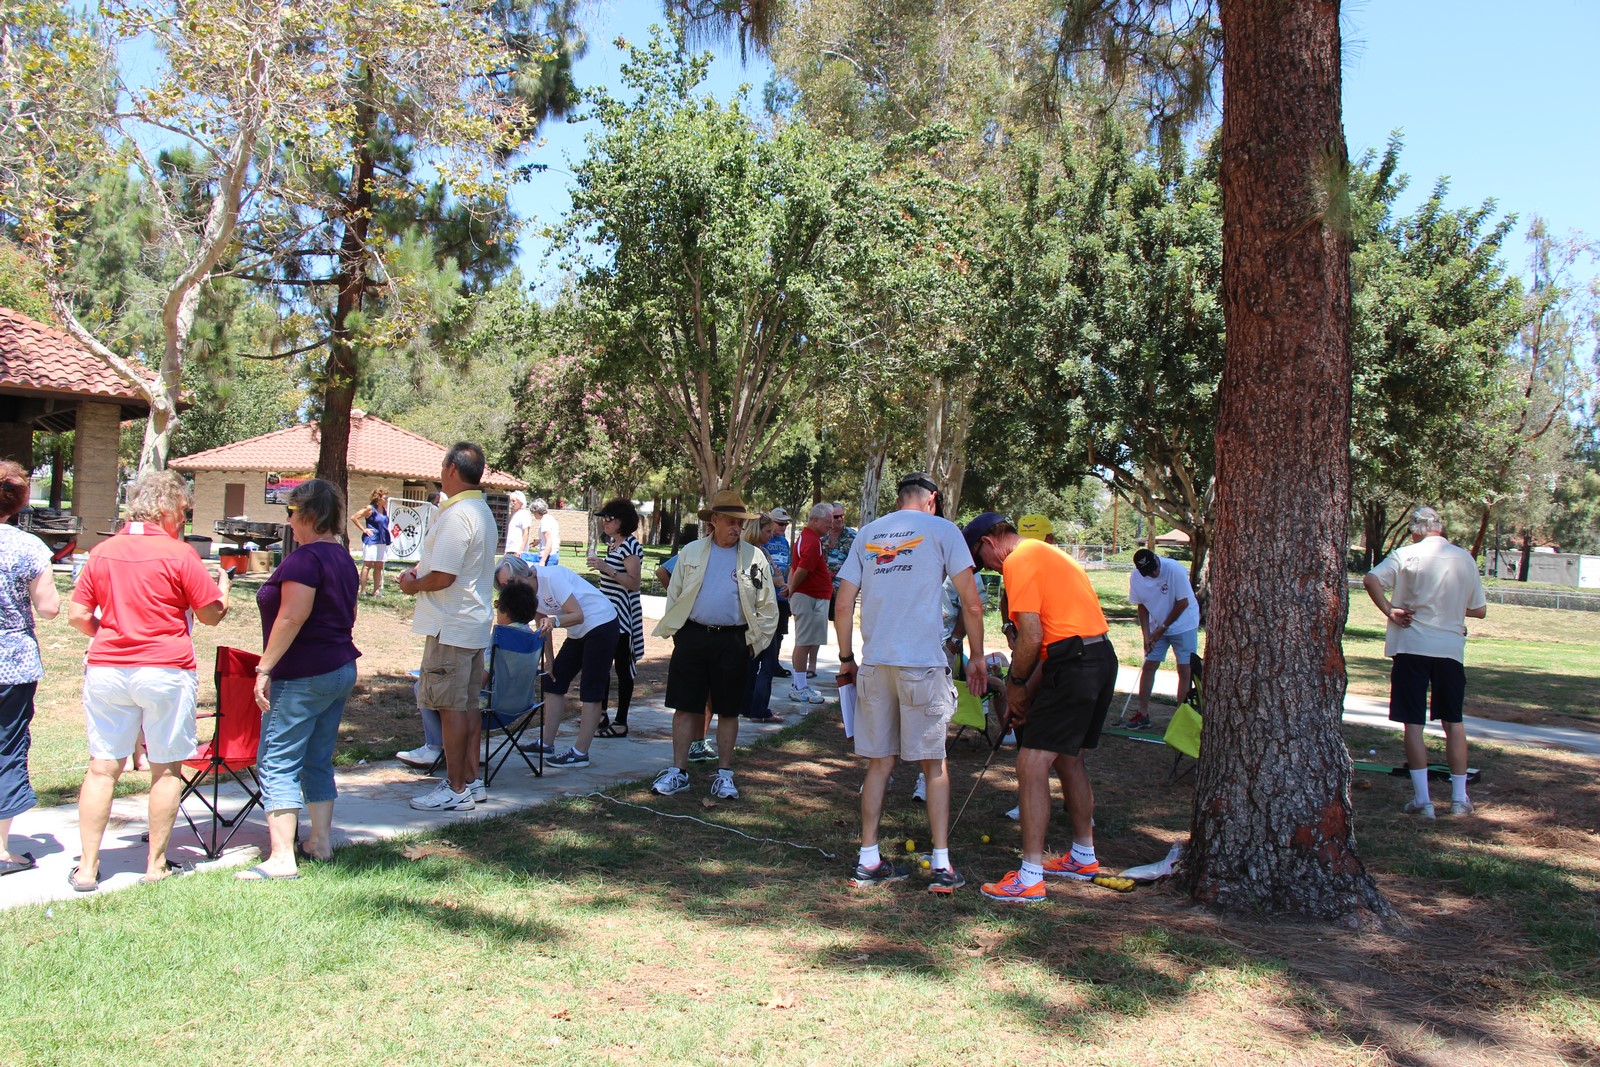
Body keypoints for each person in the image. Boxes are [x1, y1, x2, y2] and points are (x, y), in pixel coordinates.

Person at [67, 471, 233, 890]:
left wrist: (112, 637)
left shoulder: (102, 552)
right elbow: (211, 615)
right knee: (165, 769)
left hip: (107, 668)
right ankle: (155, 864)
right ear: (164, 509)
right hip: (165, 669)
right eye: (181, 511)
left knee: (103, 768)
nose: (183, 520)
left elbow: (78, 615)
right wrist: (224, 590)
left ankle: (87, 867)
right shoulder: (179, 555)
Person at [834, 472, 986, 893]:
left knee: (879, 763)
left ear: (900, 499)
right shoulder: (943, 530)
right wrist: (975, 658)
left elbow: (843, 602)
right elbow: (971, 603)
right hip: (922, 663)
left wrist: (847, 658)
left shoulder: (868, 532)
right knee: (933, 764)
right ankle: (941, 864)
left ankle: (868, 858)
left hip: (875, 663)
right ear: (933, 500)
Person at [963, 512, 1117, 904]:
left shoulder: (1019, 560)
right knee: (1069, 759)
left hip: (1074, 664)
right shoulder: (1049, 554)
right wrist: (1026, 693)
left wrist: (1015, 686)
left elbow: (1031, 636)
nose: (989, 567)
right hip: (1097, 658)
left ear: (990, 541)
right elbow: (1053, 639)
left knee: (1031, 764)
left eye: (982, 558)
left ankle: (1029, 877)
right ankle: (1083, 856)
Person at [237, 479, 361, 881]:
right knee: (316, 758)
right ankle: (319, 842)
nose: (288, 521)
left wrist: (264, 668)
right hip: (339, 667)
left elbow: (292, 616)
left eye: (291, 512)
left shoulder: (304, 560)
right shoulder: (342, 557)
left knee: (276, 760)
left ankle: (281, 859)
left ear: (308, 515)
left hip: (303, 673)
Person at [650, 490, 778, 800]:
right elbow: (675, 593)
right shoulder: (692, 552)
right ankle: (678, 771)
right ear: (715, 521)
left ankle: (724, 775)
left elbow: (767, 605)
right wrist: (680, 634)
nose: (737, 528)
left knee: (729, 711)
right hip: (693, 637)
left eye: (740, 523)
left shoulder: (754, 558)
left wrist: (752, 644)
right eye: (731, 522)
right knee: (684, 707)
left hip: (734, 641)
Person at [1363, 505, 1487, 818]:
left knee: (1413, 724)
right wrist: (1451, 611)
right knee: (1453, 722)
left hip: (1411, 646)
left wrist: (1390, 609)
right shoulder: (1463, 558)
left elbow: (1370, 579)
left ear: (1416, 529)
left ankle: (1424, 800)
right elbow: (1479, 609)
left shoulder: (1406, 554)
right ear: (1440, 527)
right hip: (1449, 649)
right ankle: (1459, 799)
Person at [399, 443, 498, 812]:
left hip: (452, 625)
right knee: (467, 705)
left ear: (452, 470)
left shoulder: (459, 514)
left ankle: (456, 788)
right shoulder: (481, 509)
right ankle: (471, 781)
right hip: (471, 623)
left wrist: (412, 584)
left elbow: (443, 576)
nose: (439, 472)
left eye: (442, 466)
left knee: (450, 708)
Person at [0, 462, 61, 876]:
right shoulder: (27, 547)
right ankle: (2, 848)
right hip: (12, 664)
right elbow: (50, 606)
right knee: (5, 748)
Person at [522, 560, 620, 767]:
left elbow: (577, 614)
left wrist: (555, 621)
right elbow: (542, 625)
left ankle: (580, 753)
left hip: (601, 624)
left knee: (590, 689)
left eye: (513, 581)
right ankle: (546, 743)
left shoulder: (552, 577)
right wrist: (549, 660)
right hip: (578, 631)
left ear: (529, 573)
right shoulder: (526, 591)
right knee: (553, 681)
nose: (512, 586)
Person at [1126, 547, 1200, 730]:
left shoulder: (1174, 569)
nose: (1153, 573)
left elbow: (1182, 603)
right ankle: (1142, 714)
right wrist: (1147, 635)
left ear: (1157, 559)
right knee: (1149, 665)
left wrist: (1162, 629)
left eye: (1154, 568)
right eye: (1148, 572)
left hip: (1184, 624)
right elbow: (1141, 605)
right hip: (1157, 624)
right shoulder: (1136, 577)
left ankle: (1180, 721)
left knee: (1184, 670)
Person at [590, 498, 644, 738]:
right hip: (606, 615)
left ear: (622, 521)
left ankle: (621, 721)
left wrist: (606, 568)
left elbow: (633, 583)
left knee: (622, 669)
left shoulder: (630, 546)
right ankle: (601, 715)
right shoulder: (613, 544)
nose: (605, 522)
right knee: (600, 665)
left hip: (622, 618)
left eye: (609, 518)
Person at [784, 503, 833, 705]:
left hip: (812, 596)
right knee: (804, 641)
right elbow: (803, 569)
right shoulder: (812, 541)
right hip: (809, 596)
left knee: (807, 640)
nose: (830, 526)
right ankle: (799, 686)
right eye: (827, 522)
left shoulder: (810, 538)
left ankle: (800, 684)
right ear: (815, 520)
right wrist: (792, 589)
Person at [743, 513, 784, 723]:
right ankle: (759, 710)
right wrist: (776, 581)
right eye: (767, 531)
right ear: (756, 530)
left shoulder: (758, 552)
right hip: (763, 616)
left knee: (753, 663)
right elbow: (762, 583)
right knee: (767, 664)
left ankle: (747, 706)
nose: (771, 535)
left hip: (759, 613)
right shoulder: (754, 554)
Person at [349, 487, 392, 596]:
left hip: (382, 540)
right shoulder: (370, 508)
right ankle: (363, 590)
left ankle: (376, 590)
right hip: (371, 540)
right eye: (385, 497)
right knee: (367, 565)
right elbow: (354, 517)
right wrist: (364, 529)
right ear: (378, 498)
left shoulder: (384, 510)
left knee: (379, 566)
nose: (386, 499)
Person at [765, 508, 793, 679]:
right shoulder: (764, 540)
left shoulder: (784, 541)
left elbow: (788, 565)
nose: (784, 526)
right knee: (768, 632)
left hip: (781, 595)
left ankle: (774, 663)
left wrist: (789, 585)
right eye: (780, 523)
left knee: (780, 632)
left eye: (786, 523)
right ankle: (765, 663)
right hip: (767, 595)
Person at [823, 501, 857, 620]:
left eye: (842, 516)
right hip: (822, 591)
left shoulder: (853, 537)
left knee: (842, 625)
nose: (840, 519)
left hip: (843, 592)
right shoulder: (821, 536)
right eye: (836, 517)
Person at [530, 498, 560, 566]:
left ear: (537, 511)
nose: (533, 514)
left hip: (549, 556)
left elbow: (549, 541)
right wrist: (538, 541)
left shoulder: (545, 521)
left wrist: (543, 560)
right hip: (553, 554)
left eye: (533, 512)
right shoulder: (550, 518)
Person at [503, 491, 534, 558]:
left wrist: (520, 551)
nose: (512, 503)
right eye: (511, 501)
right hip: (510, 550)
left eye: (514, 501)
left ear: (520, 501)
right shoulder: (514, 515)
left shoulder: (524, 514)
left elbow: (526, 533)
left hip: (517, 551)